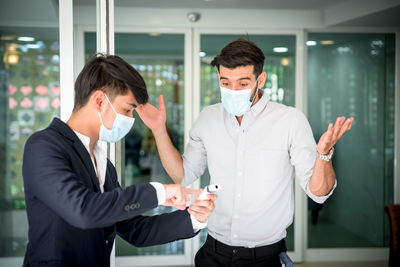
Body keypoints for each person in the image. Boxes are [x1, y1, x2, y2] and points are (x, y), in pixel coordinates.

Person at [136, 38, 354, 267]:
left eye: (242, 83)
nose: (233, 90)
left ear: (260, 79)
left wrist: (323, 155)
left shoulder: (290, 121)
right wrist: (159, 131)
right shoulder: (207, 118)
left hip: (265, 257)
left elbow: (319, 192)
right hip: (213, 252)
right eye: (225, 82)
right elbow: (182, 175)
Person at [22, 54, 217, 267]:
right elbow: (83, 210)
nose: (131, 120)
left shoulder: (102, 162)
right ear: (99, 101)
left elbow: (134, 230)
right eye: (127, 109)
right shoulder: (43, 146)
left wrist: (194, 218)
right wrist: (159, 192)